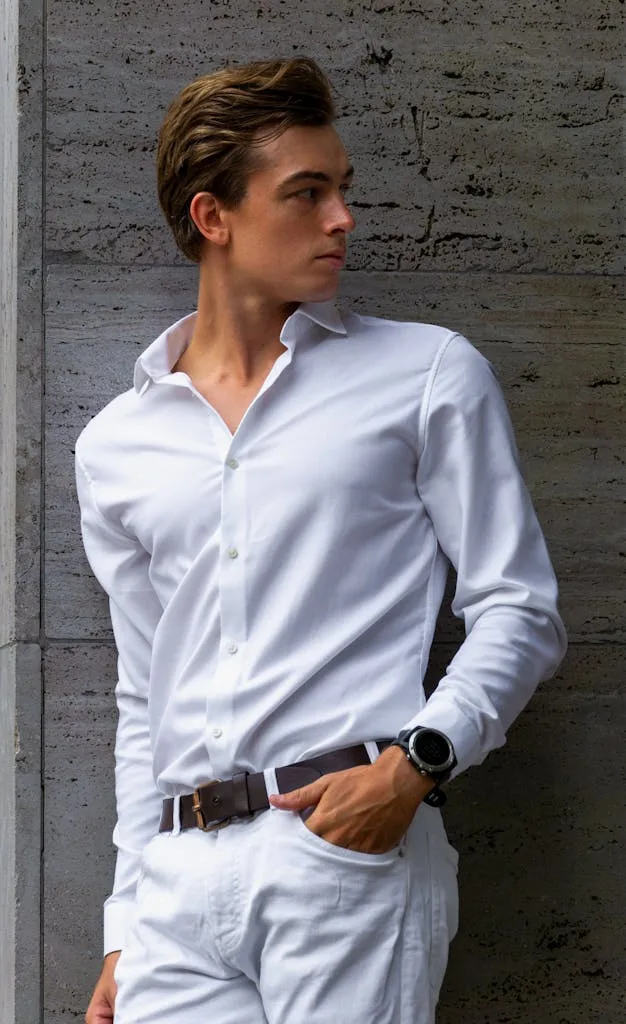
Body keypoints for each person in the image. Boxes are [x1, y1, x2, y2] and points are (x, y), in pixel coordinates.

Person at [77, 57, 567, 1024]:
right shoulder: (114, 444)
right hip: (175, 888)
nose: (342, 217)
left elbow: (520, 607)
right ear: (213, 218)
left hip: (345, 853)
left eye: (343, 189)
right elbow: (144, 693)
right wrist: (125, 922)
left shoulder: (425, 374)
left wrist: (415, 765)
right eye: (307, 193)